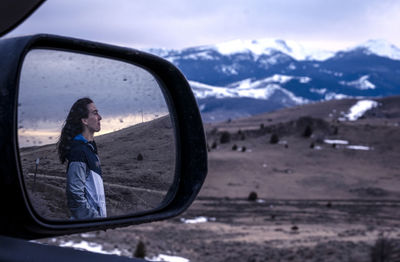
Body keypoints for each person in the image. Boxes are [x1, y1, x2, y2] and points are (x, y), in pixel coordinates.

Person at [57, 97, 107, 219]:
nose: (100, 117)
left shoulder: (89, 149)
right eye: (95, 113)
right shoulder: (79, 152)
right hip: (88, 227)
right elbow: (75, 197)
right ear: (84, 120)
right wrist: (96, 221)